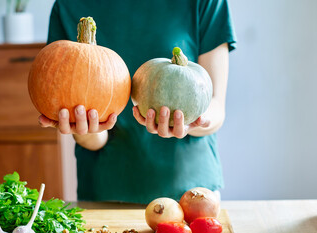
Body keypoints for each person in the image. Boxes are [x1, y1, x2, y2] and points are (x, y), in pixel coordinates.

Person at [39, 0, 237, 204]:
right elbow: (94, 138)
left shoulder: (207, 2)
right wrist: (86, 128)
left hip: (192, 193)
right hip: (107, 190)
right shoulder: (69, 5)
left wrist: (191, 122)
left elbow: (215, 106)